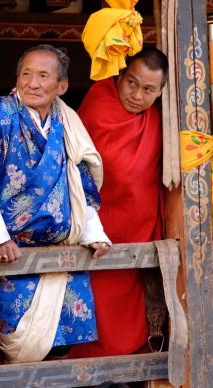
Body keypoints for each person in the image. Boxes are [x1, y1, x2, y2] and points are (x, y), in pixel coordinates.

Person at [0, 44, 111, 363]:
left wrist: (92, 232)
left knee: (63, 348)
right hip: (14, 255)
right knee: (23, 346)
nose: (33, 83)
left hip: (64, 254)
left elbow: (80, 183)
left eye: (43, 76)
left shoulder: (67, 123)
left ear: (61, 86)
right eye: (26, 74)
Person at [69, 47, 169, 360]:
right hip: (97, 228)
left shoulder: (159, 120)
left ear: (161, 92)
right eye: (131, 83)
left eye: (149, 89)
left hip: (140, 230)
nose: (137, 95)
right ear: (120, 77)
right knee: (94, 307)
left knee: (133, 309)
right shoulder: (98, 105)